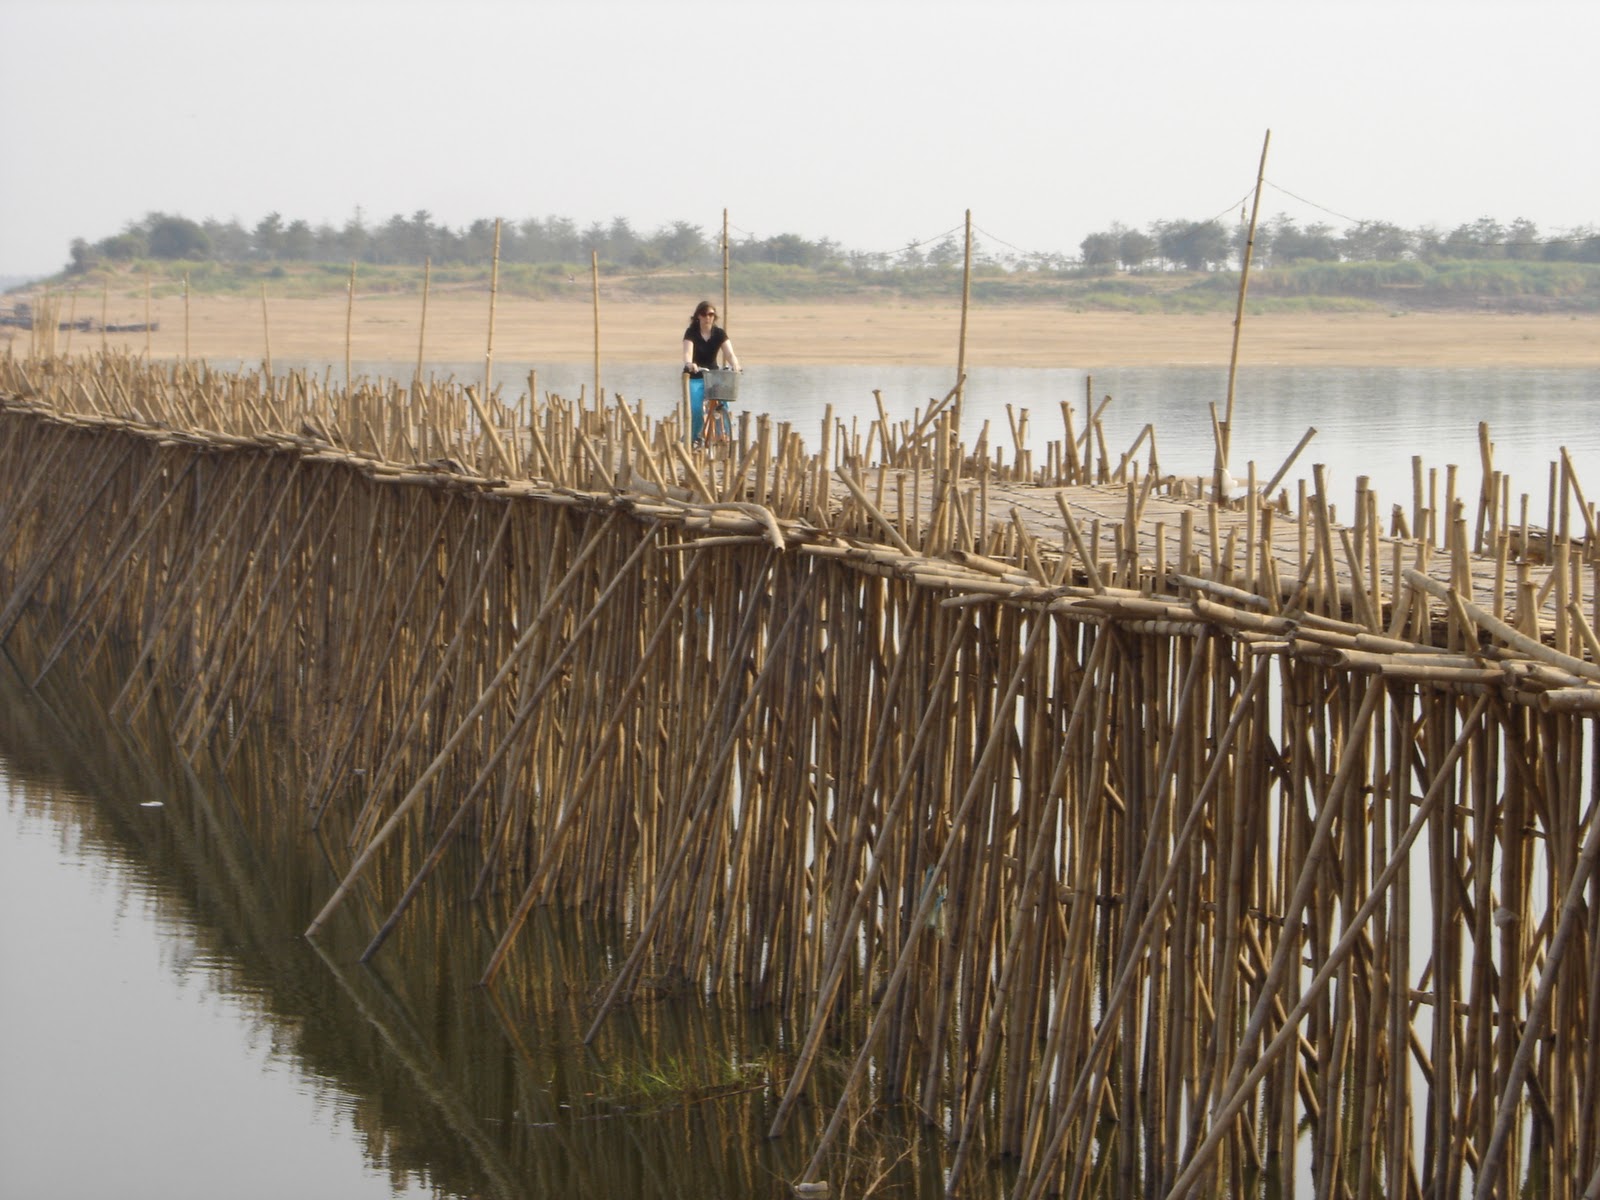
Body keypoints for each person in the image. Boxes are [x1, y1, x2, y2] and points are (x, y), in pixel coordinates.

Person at [682, 300, 740, 444]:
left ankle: (723, 435)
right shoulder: (692, 332)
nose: (707, 317)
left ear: (714, 317)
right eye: (704, 314)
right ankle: (695, 437)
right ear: (698, 316)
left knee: (723, 403)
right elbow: (687, 352)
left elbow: (729, 353)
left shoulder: (719, 333)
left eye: (711, 314)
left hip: (713, 375)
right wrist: (690, 364)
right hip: (696, 375)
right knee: (696, 409)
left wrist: (735, 365)